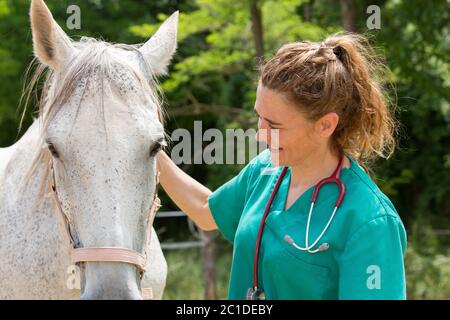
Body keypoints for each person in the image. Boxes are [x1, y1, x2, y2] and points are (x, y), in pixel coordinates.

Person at [156, 33, 407, 300]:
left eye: (274, 126)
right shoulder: (264, 172)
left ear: (325, 125)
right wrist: (150, 149)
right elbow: (205, 211)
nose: (260, 135)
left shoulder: (370, 222)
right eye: (259, 118)